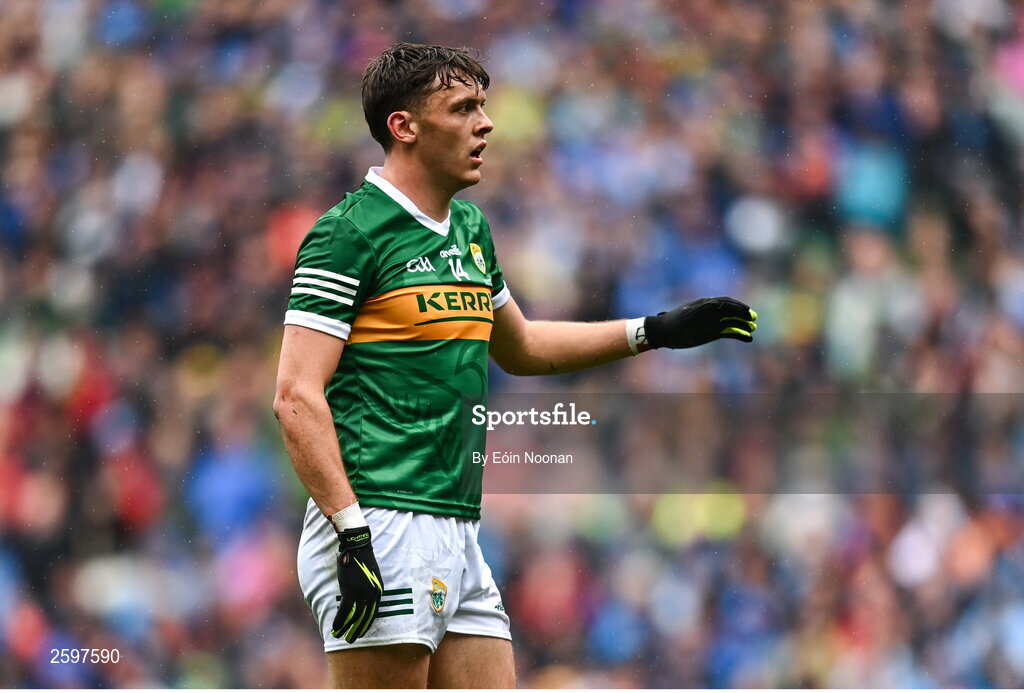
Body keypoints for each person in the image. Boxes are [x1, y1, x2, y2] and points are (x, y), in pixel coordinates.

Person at [273, 42, 757, 689]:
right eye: (463, 108)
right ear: (404, 126)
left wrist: (652, 331)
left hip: (455, 525)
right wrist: (352, 533)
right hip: (380, 520)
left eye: (483, 106)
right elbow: (296, 395)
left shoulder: (469, 229)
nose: (486, 124)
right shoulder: (350, 233)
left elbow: (521, 346)